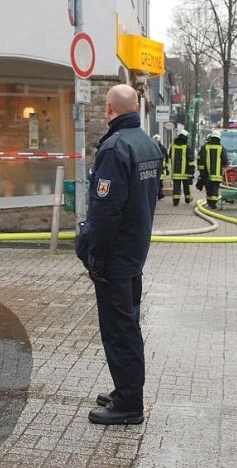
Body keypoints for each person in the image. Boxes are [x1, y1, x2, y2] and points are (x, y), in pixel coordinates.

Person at [75, 83, 161, 425]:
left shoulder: (114, 148)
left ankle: (128, 402)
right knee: (128, 323)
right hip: (135, 251)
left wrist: (94, 254)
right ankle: (126, 389)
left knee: (118, 328)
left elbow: (106, 211)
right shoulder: (148, 144)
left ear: (109, 109)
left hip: (115, 256)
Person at [196, 130, 228, 209]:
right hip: (217, 174)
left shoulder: (205, 147)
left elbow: (201, 159)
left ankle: (210, 202)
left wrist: (201, 171)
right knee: (215, 188)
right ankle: (213, 203)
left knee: (208, 188)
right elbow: (225, 160)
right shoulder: (221, 148)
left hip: (206, 173)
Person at [169, 129, 195, 205]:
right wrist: (192, 169)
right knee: (186, 186)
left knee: (176, 187)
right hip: (185, 171)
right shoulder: (187, 147)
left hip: (175, 171)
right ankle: (187, 199)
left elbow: (170, 156)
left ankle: (176, 201)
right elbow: (191, 160)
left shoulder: (173, 146)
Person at [152, 134, 169, 199]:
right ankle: (158, 193)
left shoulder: (163, 148)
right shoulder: (151, 147)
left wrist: (166, 168)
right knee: (156, 182)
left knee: (160, 182)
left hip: (161, 168)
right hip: (154, 167)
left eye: (157, 141)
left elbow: (166, 158)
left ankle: (159, 193)